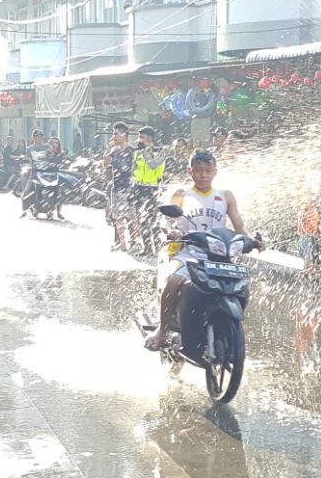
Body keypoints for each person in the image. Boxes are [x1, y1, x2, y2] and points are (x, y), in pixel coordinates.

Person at [144, 150, 259, 351]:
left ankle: (231, 326)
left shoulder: (225, 196)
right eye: (198, 170)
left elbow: (239, 227)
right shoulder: (181, 194)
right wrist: (171, 231)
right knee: (173, 281)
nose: (203, 175)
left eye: (207, 170)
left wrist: (254, 242)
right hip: (187, 254)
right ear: (190, 171)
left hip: (219, 257)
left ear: (215, 171)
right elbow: (167, 221)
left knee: (239, 286)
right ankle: (162, 330)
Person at [131, 126, 167, 256]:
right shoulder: (137, 152)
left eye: (143, 137)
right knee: (141, 219)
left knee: (153, 218)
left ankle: (156, 246)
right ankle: (146, 247)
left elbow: (153, 164)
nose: (140, 140)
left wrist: (147, 151)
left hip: (152, 188)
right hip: (139, 188)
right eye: (139, 137)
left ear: (150, 138)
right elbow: (133, 169)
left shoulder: (160, 152)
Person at [105, 123, 135, 250]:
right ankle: (122, 244)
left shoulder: (133, 152)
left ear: (124, 135)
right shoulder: (114, 151)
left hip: (130, 188)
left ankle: (134, 242)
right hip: (116, 188)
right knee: (117, 217)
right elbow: (105, 164)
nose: (113, 137)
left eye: (115, 133)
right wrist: (108, 149)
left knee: (132, 217)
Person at [18, 130, 49, 215]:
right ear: (33, 138)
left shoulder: (47, 147)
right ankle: (24, 211)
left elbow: (52, 157)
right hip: (35, 172)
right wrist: (31, 167)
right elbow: (29, 161)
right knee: (27, 192)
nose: (40, 138)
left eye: (41, 136)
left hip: (46, 172)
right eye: (38, 136)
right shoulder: (29, 149)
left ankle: (56, 210)